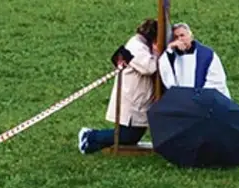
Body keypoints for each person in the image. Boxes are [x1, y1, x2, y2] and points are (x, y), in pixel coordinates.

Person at [78, 18, 159, 154]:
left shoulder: (140, 45)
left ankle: (91, 145)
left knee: (133, 136)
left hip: (137, 96)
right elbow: (149, 68)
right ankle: (90, 136)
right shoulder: (136, 47)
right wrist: (157, 53)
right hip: (132, 98)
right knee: (127, 135)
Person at [159, 22, 231, 98]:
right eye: (176, 37)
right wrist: (169, 48)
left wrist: (199, 97)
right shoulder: (172, 56)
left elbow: (217, 81)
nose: (179, 39)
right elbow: (166, 73)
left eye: (182, 35)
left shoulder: (207, 55)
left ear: (191, 36)